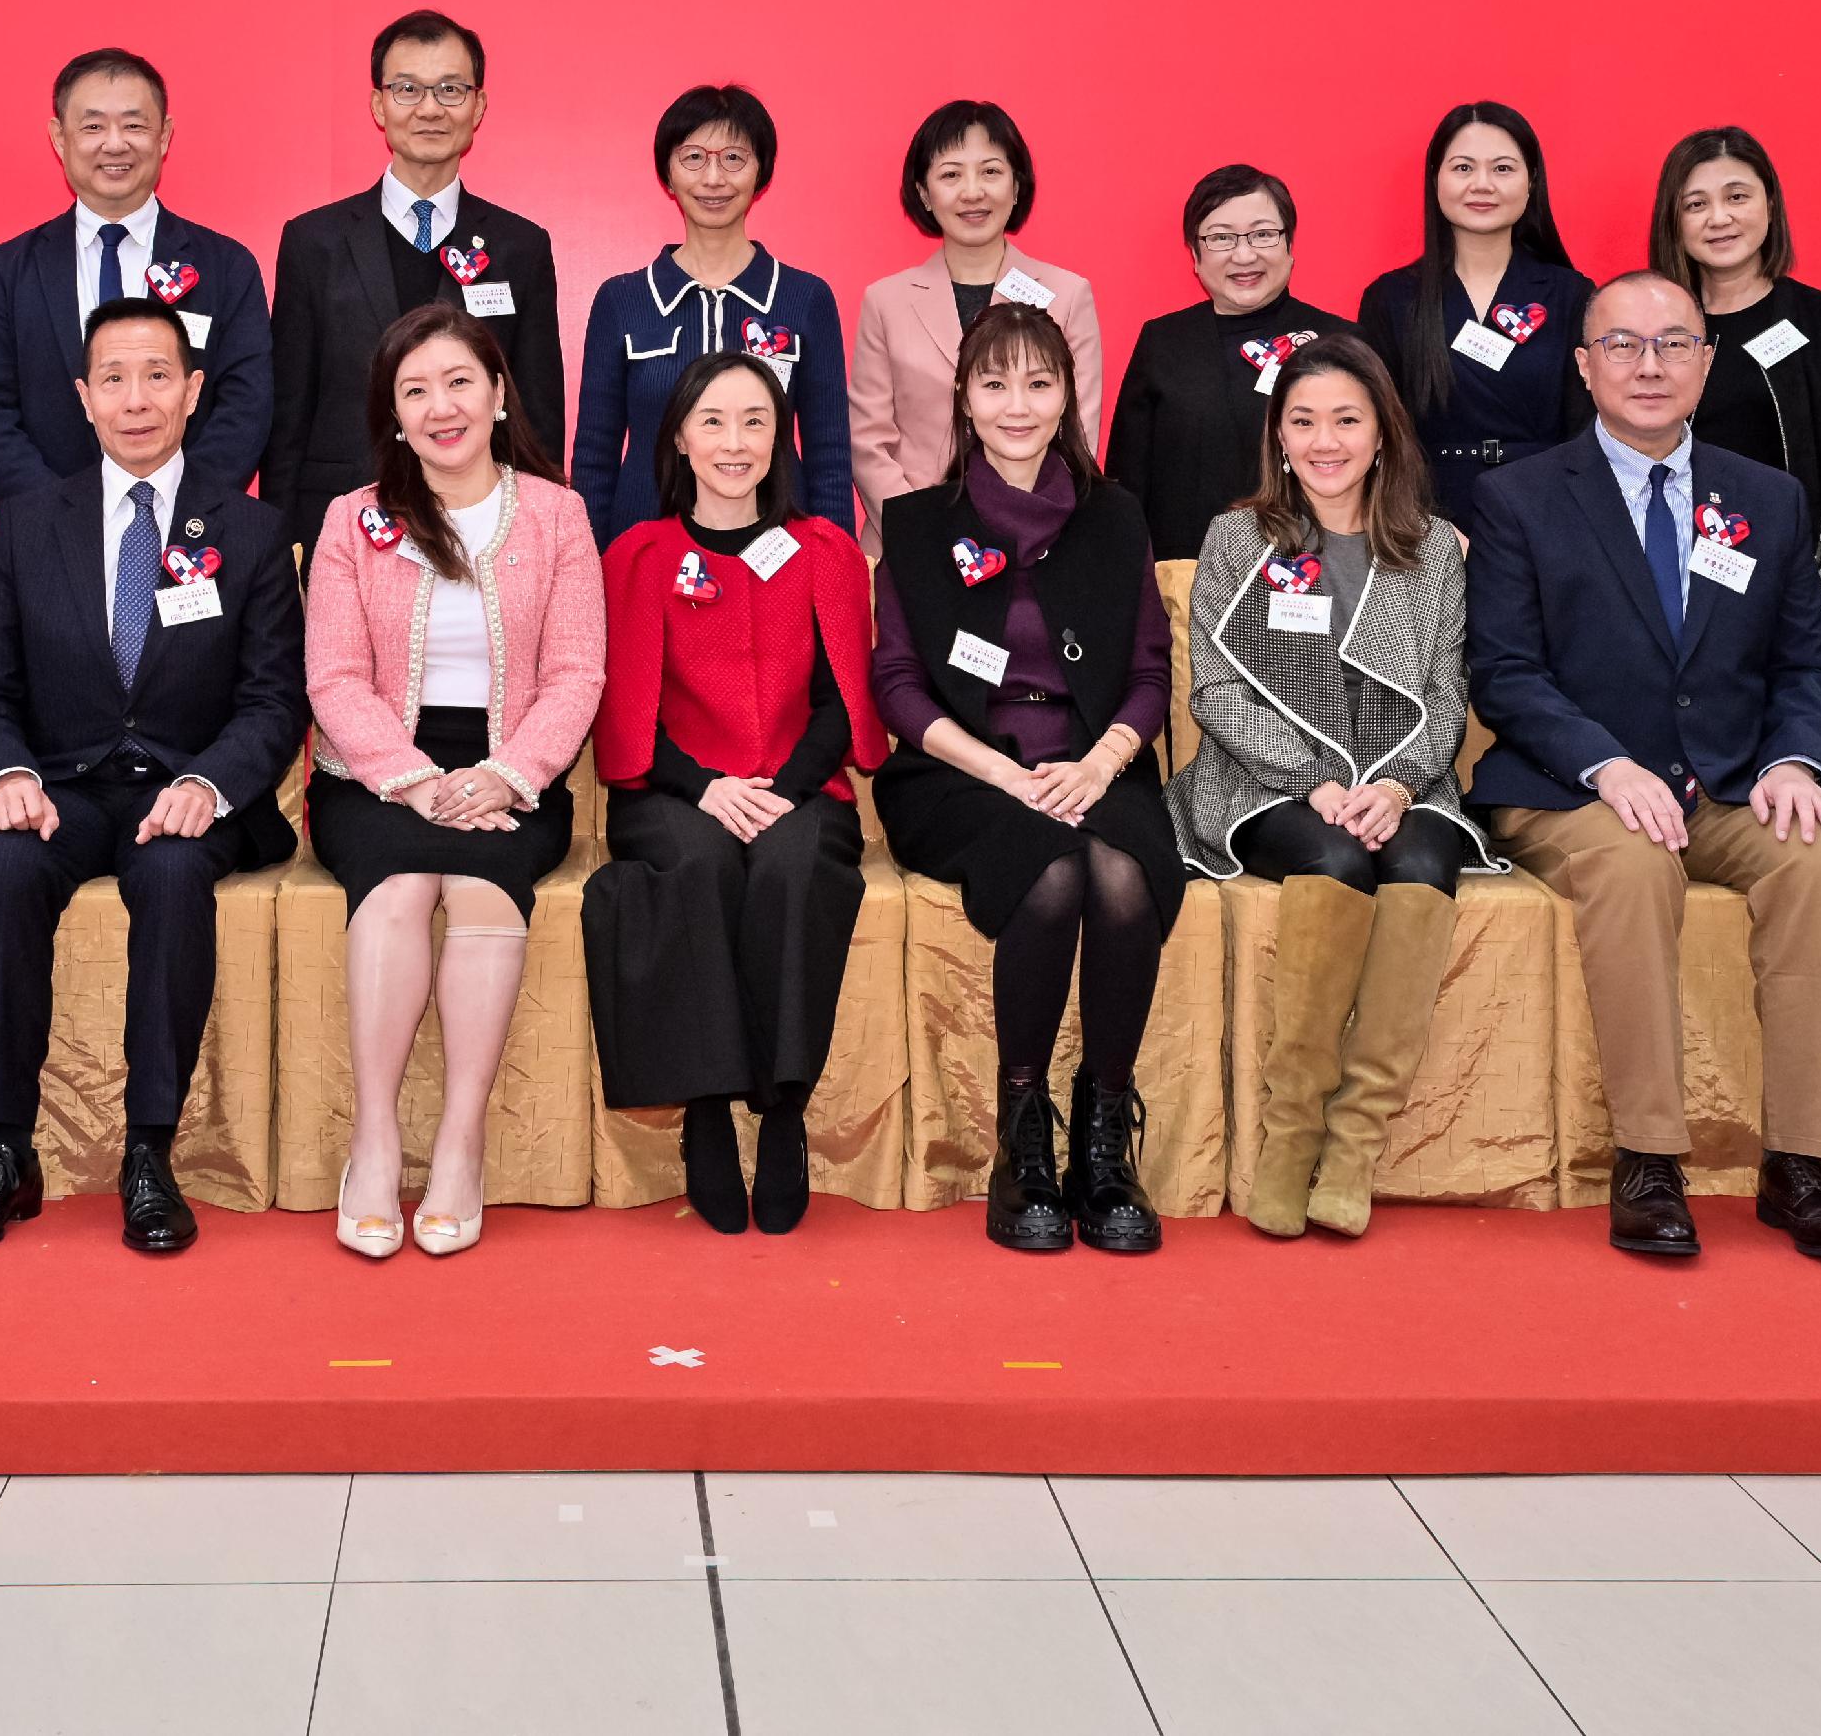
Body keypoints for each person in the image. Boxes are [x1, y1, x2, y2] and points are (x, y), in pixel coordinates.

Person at [1462, 273, 1821, 1263]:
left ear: (1705, 359)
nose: (1648, 366)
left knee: (1818, 863)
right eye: (1622, 345)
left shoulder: (1768, 500)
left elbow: (1803, 666)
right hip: (1573, 789)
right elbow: (1506, 676)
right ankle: (1649, 1156)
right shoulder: (1518, 497)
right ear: (1584, 364)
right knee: (1635, 865)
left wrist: (1795, 760)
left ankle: (1802, 1163)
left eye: (1671, 344)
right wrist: (1606, 764)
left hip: (1731, 780)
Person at [0, 296, 304, 1258]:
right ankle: (5, 1146)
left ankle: (150, 1149)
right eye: (113, 378)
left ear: (192, 392)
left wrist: (213, 786)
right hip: (61, 785)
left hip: (188, 788)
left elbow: (273, 702)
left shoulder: (256, 532)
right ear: (83, 397)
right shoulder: (24, 527)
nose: (135, 398)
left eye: (156, 376)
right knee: (7, 866)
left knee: (178, 875)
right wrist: (7, 774)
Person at [868, 302, 1181, 1258]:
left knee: (1122, 873)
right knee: (1051, 875)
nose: (1017, 403)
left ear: (1065, 396)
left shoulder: (1114, 516)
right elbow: (896, 684)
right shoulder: (919, 523)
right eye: (995, 382)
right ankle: (1023, 1136)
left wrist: (1098, 763)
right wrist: (1004, 770)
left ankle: (1103, 1132)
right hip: (958, 770)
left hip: (1095, 761)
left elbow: (1147, 674)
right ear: (963, 394)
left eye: (1038, 383)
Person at [303, 306, 606, 1259]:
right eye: (416, 390)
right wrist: (415, 780)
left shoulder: (558, 512)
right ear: (392, 412)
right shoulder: (354, 520)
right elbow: (335, 679)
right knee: (395, 892)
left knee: (481, 891)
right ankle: (375, 1142)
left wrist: (510, 775)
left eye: (460, 382)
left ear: (499, 391)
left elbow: (577, 674)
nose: (442, 407)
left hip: (514, 761)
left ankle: (461, 1144)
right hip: (373, 770)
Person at [1175, 336, 1487, 1239]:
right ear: (1277, 434)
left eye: (1347, 419)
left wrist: (1394, 783)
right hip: (1266, 779)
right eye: (1303, 420)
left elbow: (1444, 694)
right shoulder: (1240, 536)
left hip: (1404, 777)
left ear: (1382, 432)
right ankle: (1290, 1135)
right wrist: (1313, 779)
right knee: (1337, 853)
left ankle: (1352, 1146)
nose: (1325, 440)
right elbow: (1216, 689)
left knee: (1425, 856)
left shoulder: (1430, 550)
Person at [586, 354, 889, 1235]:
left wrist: (784, 790)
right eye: (712, 421)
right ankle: (710, 1108)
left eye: (755, 420)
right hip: (674, 788)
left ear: (780, 436)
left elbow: (843, 701)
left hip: (800, 786)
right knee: (696, 865)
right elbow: (629, 708)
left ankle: (783, 1113)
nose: (734, 441)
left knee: (795, 870)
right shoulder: (639, 554)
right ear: (677, 435)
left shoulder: (827, 549)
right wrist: (709, 787)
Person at [269, 10, 568, 544]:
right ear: (378, 104)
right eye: (407, 88)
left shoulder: (520, 246)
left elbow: (537, 413)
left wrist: (538, 533)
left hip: (483, 525)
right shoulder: (313, 242)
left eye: (451, 89)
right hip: (345, 523)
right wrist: (282, 547)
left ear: (478, 106)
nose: (430, 108)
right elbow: (287, 414)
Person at [0, 48, 273, 507]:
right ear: (58, 137)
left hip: (190, 534)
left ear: (164, 136)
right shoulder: (9, 270)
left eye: (134, 125)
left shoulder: (226, 265)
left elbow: (246, 405)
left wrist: (178, 503)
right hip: (48, 530)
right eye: (92, 126)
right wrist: (58, 515)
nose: (114, 144)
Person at [571, 83, 852, 543]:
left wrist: (834, 572)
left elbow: (830, 456)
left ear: (762, 173)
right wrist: (589, 571)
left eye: (734, 158)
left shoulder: (806, 298)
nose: (714, 179)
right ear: (667, 172)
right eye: (694, 157)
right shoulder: (622, 300)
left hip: (778, 552)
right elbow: (594, 459)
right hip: (643, 554)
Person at [849, 98, 1107, 546]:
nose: (973, 192)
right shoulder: (885, 300)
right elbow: (868, 441)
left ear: (1017, 185)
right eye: (951, 175)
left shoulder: (1067, 294)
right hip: (912, 541)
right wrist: (922, 531)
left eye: (990, 172)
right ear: (925, 193)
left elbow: (1076, 431)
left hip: (1037, 541)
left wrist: (1024, 523)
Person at [1106, 164, 1368, 559]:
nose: (1244, 254)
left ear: (1289, 247)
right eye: (1221, 238)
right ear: (1195, 254)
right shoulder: (1163, 342)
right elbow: (1128, 483)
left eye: (1263, 234)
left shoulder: (1342, 342)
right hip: (1187, 577)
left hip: (1320, 567)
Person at [1357, 102, 1591, 539]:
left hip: (1546, 510)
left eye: (1503, 169)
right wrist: (1413, 522)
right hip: (1422, 518)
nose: (1482, 185)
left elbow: (1587, 428)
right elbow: (1377, 428)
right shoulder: (1391, 298)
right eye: (1463, 168)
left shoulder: (1571, 295)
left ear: (1531, 181)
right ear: (1435, 179)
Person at [1652, 125, 1821, 530]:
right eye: (1695, 205)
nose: (1719, 218)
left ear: (1770, 203)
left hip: (1797, 563)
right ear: (1673, 221)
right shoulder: (1651, 326)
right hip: (1675, 558)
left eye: (1737, 197)